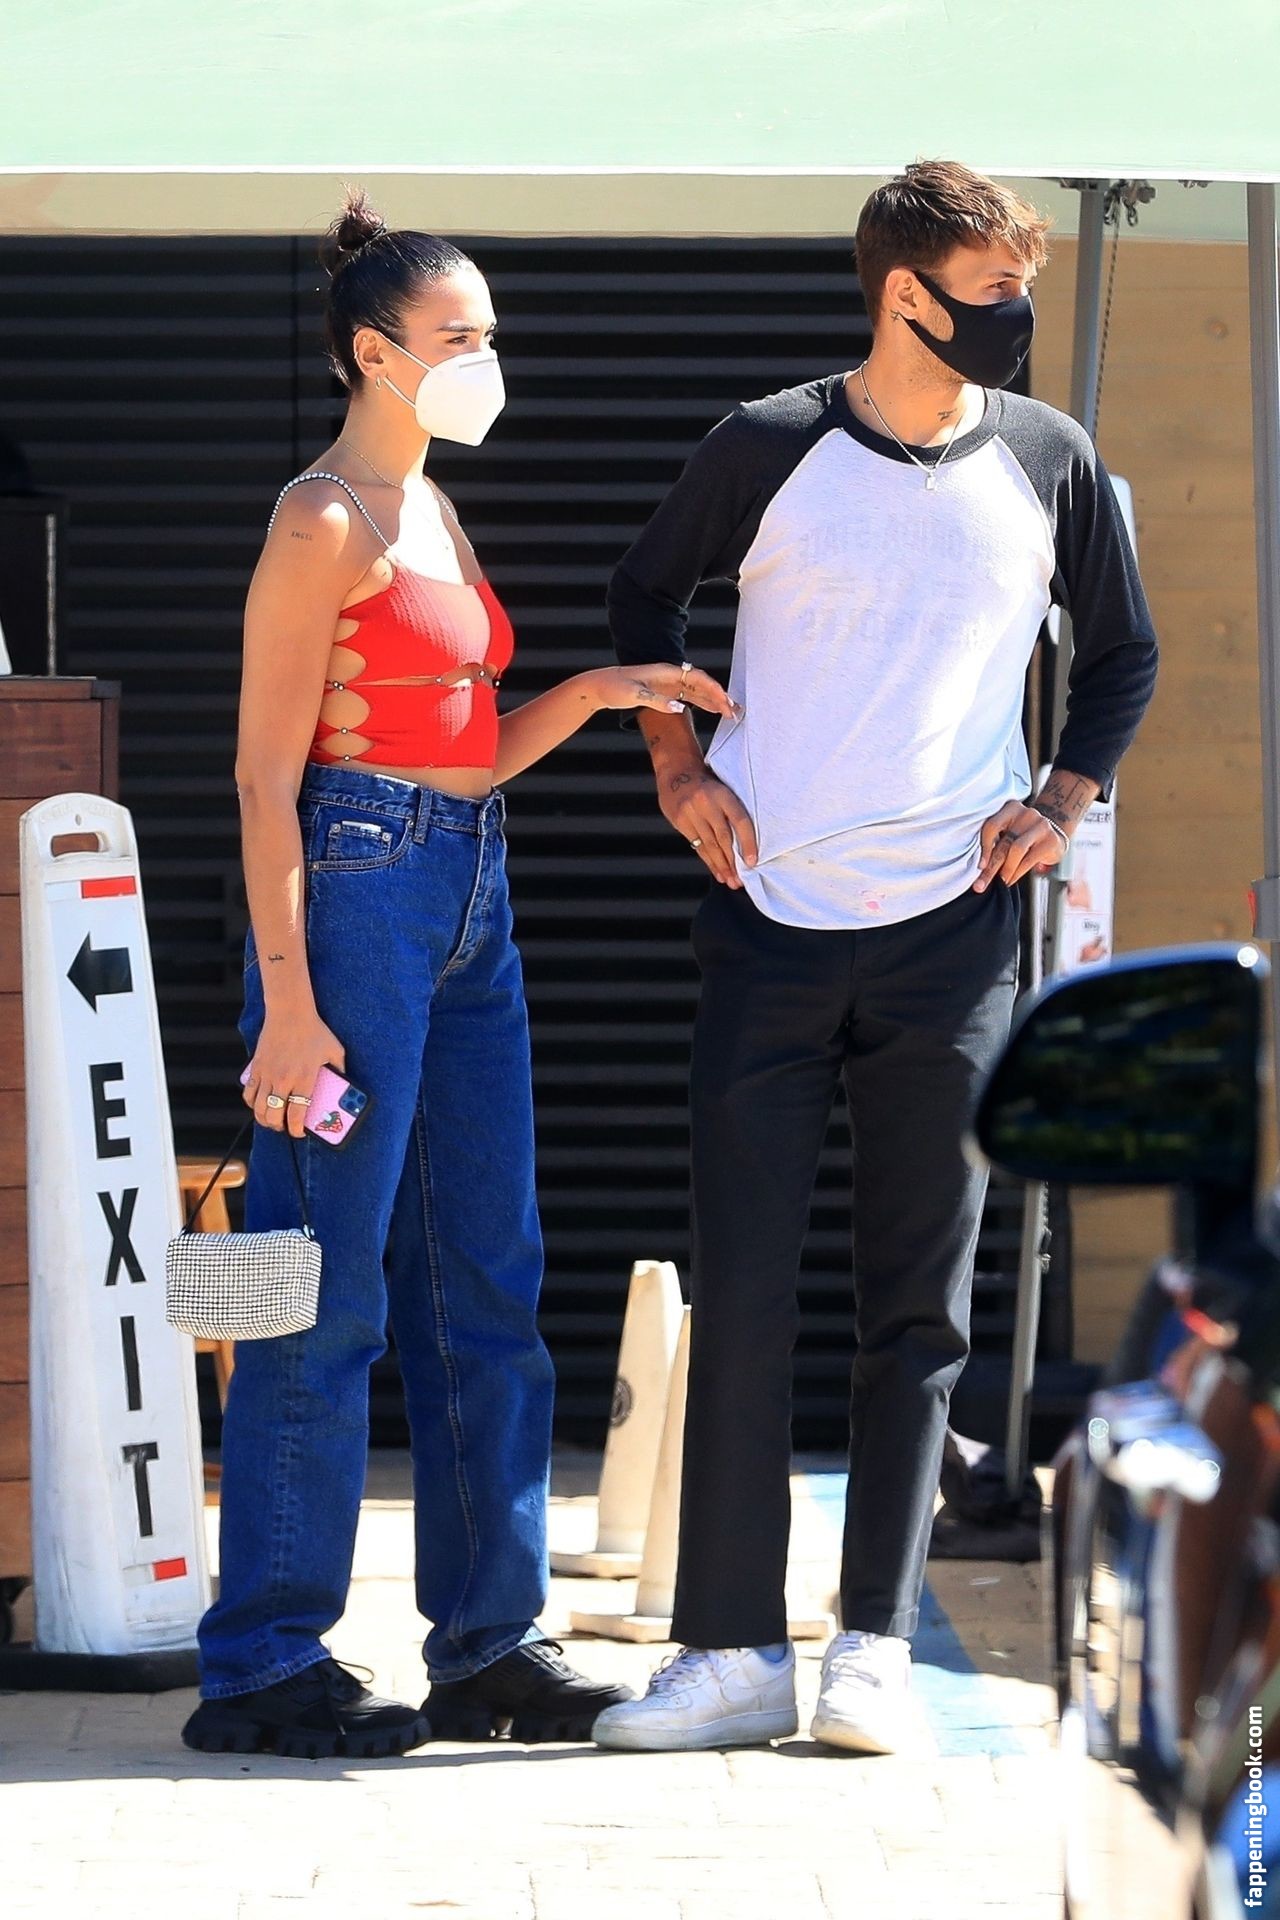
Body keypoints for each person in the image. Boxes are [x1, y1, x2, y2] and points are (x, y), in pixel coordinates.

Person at [592, 160, 1158, 1756]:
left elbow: (1123, 652)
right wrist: (676, 769)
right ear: (904, 294)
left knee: (922, 1313)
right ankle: (727, 1654)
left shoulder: (1049, 458)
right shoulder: (765, 445)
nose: (1016, 316)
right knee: (747, 1297)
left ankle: (874, 1648)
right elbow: (643, 596)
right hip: (769, 925)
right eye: (992, 292)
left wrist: (1061, 799)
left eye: (1024, 289)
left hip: (953, 943)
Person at [181, 190, 736, 1760]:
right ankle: (261, 1663)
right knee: (315, 1284)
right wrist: (289, 1004)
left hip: (467, 886)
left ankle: (490, 1643)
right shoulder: (322, 518)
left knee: (488, 1275)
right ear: (376, 351)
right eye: (460, 335)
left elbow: (470, 756)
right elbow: (263, 776)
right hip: (351, 894)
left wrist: (602, 690)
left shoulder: (429, 505)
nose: (488, 357)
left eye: (491, 331)